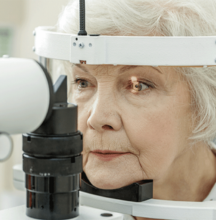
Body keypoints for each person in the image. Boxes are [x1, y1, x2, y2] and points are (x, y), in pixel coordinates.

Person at [57, 0, 216, 219]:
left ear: (205, 99)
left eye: (137, 86)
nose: (97, 118)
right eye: (83, 82)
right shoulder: (55, 203)